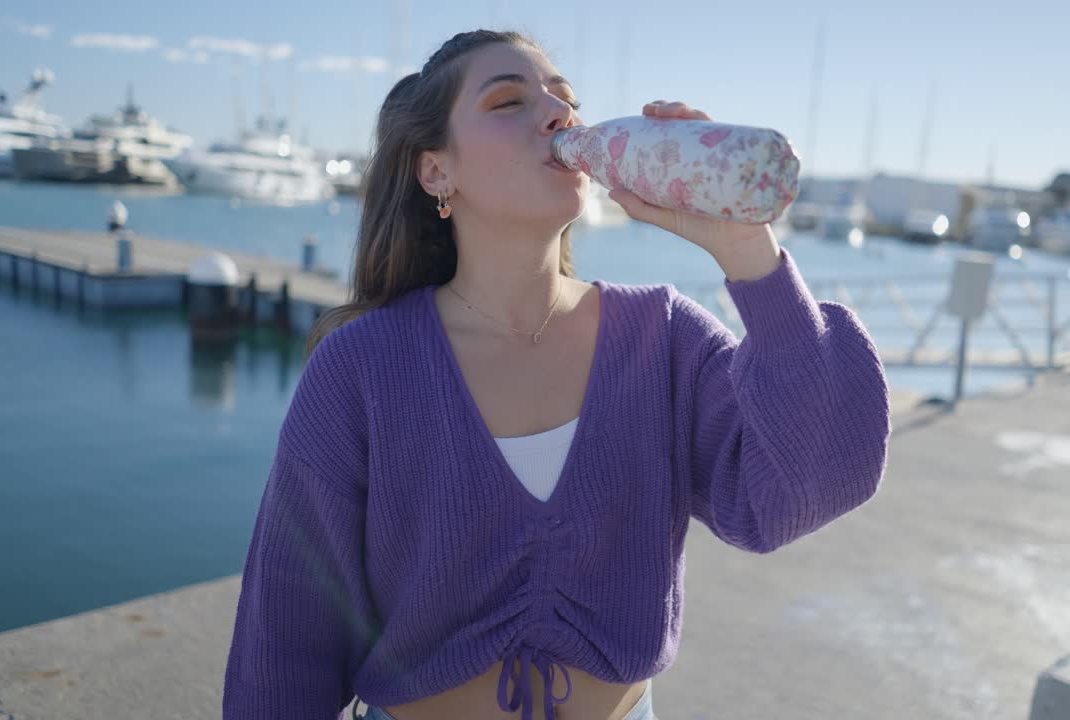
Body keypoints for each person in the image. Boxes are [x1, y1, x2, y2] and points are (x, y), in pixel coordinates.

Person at [221, 29, 890, 720]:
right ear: (436, 171)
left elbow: (811, 485)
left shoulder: (661, 338)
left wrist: (743, 243)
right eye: (509, 100)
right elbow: (287, 636)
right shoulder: (362, 368)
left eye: (566, 100)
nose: (558, 115)